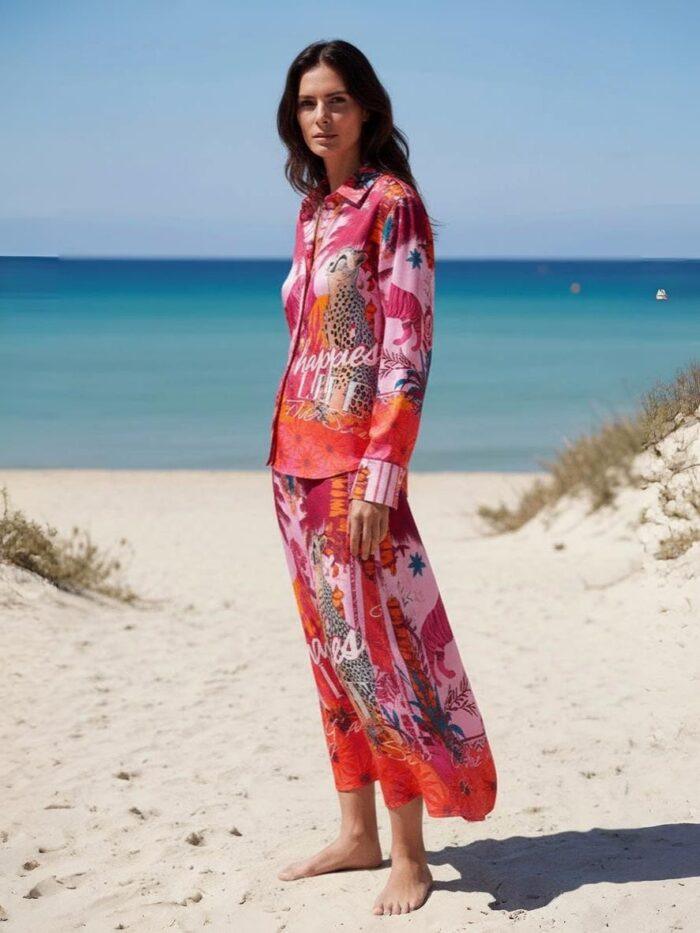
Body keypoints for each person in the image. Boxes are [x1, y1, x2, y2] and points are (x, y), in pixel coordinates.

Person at [266, 39, 497, 917]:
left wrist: (380, 475)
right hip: (292, 465)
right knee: (332, 656)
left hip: (352, 472)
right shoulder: (314, 212)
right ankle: (356, 832)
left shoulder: (392, 206)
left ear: (367, 108)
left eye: (335, 100)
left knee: (376, 653)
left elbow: (407, 346)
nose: (320, 116)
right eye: (307, 103)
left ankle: (409, 853)